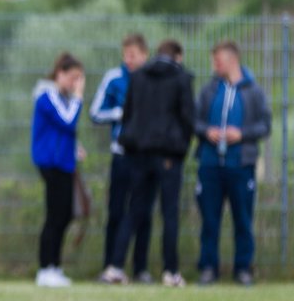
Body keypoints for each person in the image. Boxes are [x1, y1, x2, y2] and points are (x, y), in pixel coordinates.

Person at [106, 39, 194, 287]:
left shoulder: (138, 76)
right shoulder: (181, 78)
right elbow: (188, 117)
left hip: (139, 154)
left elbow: (127, 114)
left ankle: (115, 266)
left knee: (134, 211)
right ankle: (170, 271)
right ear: (178, 56)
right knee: (169, 213)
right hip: (169, 155)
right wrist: (181, 147)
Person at [194, 41, 271, 287]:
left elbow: (264, 126)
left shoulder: (254, 91)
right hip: (210, 165)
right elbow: (194, 121)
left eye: (217, 61)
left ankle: (243, 269)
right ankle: (208, 268)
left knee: (243, 219)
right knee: (209, 219)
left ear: (232, 60)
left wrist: (242, 134)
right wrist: (207, 131)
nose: (214, 66)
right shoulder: (208, 91)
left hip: (241, 165)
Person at [91, 34, 152, 284]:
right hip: (121, 155)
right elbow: (95, 112)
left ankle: (141, 268)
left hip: (146, 155)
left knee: (144, 214)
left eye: (133, 55)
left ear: (144, 55)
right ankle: (110, 266)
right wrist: (120, 113)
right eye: (125, 54)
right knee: (116, 211)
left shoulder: (152, 79)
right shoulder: (113, 78)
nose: (128, 59)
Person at [31, 53, 85, 288]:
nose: (74, 84)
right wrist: (79, 97)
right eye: (73, 78)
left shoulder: (61, 98)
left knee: (64, 214)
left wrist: (74, 148)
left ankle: (55, 266)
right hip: (51, 163)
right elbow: (68, 121)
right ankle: (45, 268)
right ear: (60, 74)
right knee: (54, 215)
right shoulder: (47, 96)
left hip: (64, 162)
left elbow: (64, 131)